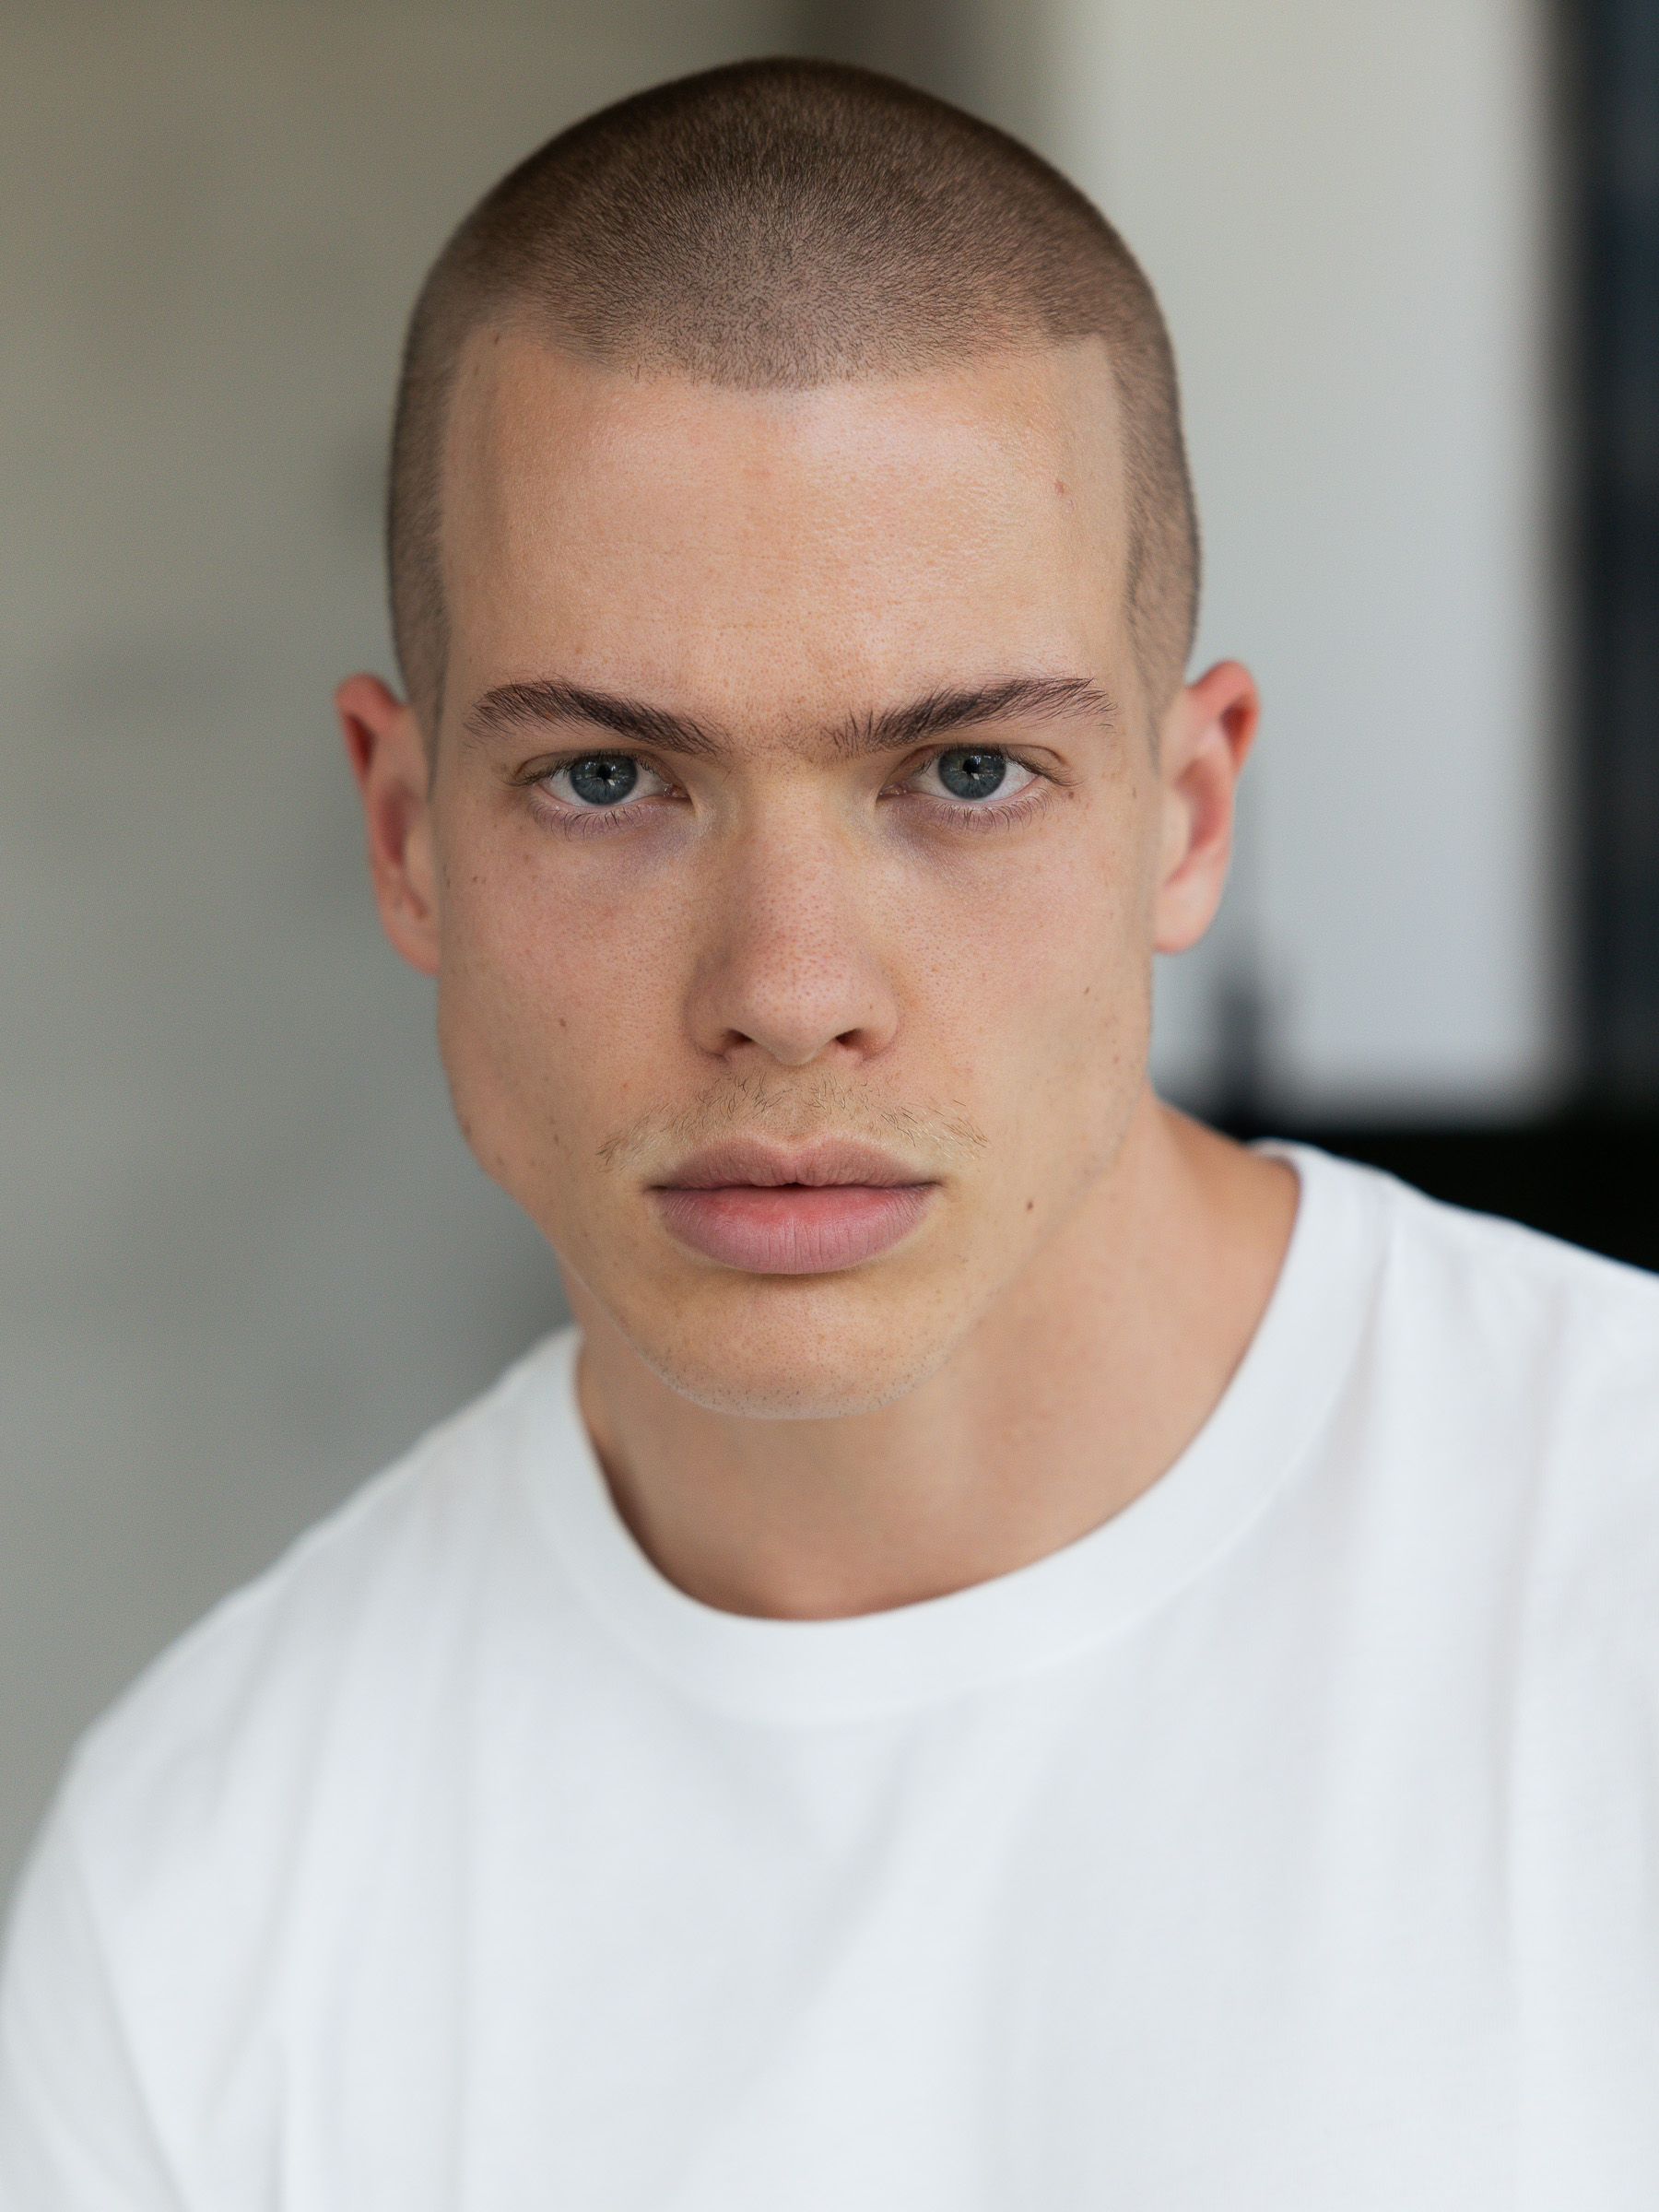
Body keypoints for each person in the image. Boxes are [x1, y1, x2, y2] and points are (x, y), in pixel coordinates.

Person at [3, 55, 1657, 2212]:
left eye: (965, 774)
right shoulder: (201, 1896)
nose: (789, 990)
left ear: (1188, 815)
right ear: (406, 837)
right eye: (608, 780)